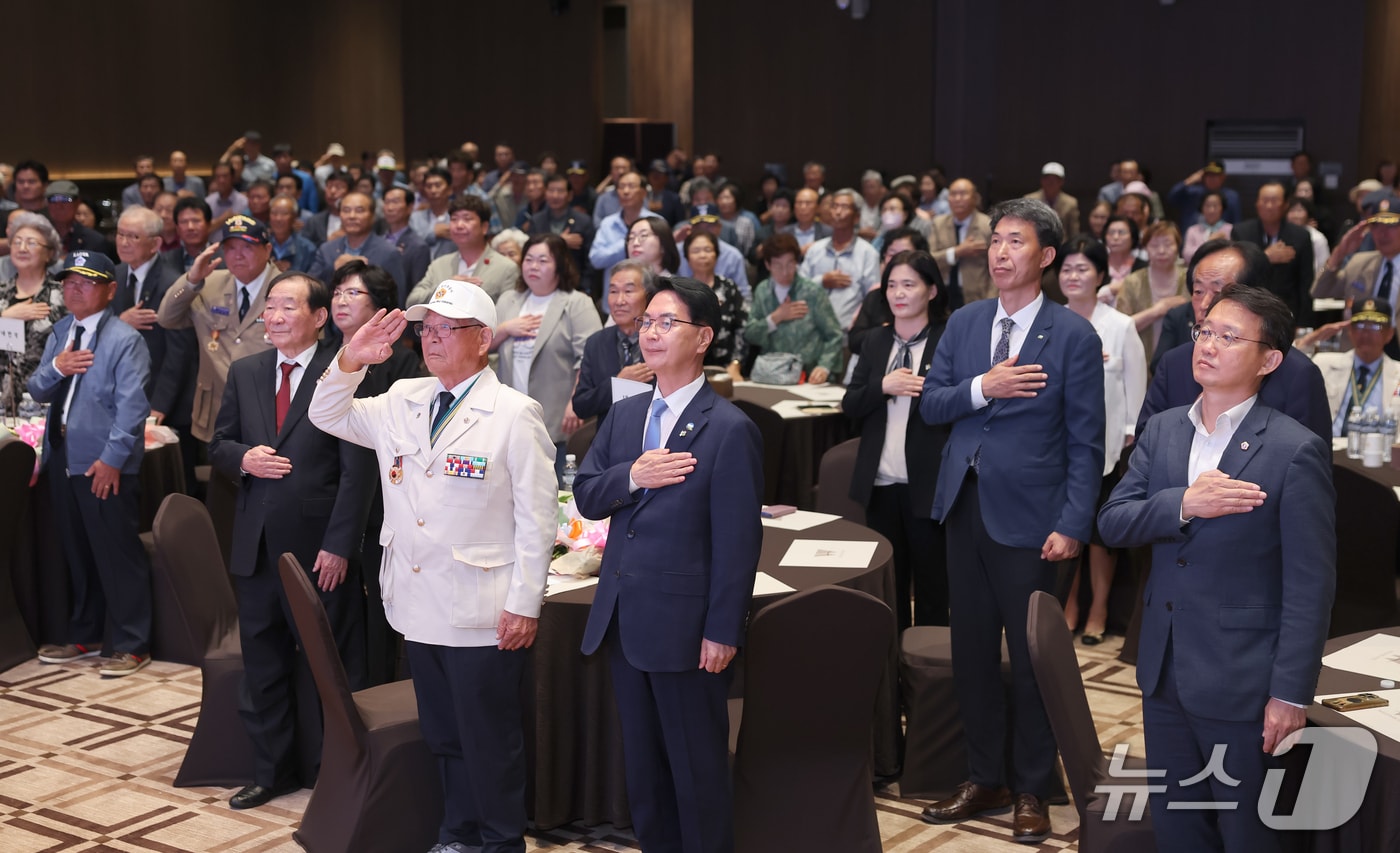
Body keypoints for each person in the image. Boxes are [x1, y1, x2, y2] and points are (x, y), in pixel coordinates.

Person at [309, 278, 554, 853]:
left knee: (489, 740)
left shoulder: (514, 414)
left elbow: (537, 520)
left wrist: (524, 603)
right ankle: (458, 834)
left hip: (482, 609)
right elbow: (325, 413)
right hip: (417, 602)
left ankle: (501, 843)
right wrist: (351, 359)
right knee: (443, 735)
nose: (433, 338)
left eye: (448, 328)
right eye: (426, 329)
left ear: (483, 339)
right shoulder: (403, 397)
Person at [1099, 283, 1335, 853]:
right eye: (1205, 331)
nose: (1207, 345)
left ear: (1268, 360)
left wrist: (1290, 694)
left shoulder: (1293, 450)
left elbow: (1311, 586)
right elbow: (1112, 522)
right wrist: (1183, 503)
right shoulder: (1163, 430)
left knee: (1247, 834)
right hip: (1163, 672)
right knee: (1179, 829)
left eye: (1230, 337)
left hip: (1243, 681)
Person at [918, 198, 1104, 844]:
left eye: (1015, 241)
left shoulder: (1073, 335)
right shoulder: (965, 322)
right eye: (995, 239)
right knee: (971, 653)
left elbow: (1086, 442)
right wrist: (983, 387)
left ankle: (1032, 786)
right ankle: (984, 776)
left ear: (1046, 256)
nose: (1000, 251)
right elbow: (932, 404)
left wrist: (1074, 522)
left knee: (1031, 660)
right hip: (963, 507)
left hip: (1033, 519)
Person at [573, 277, 763, 853]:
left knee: (696, 772)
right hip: (624, 620)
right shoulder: (625, 414)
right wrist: (632, 476)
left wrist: (722, 629)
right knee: (645, 774)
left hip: (687, 630)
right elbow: (587, 494)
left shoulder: (729, 428)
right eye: (647, 322)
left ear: (702, 337)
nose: (650, 333)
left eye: (667, 322)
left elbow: (738, 541)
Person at [209, 271, 375, 810]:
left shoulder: (344, 370)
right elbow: (219, 443)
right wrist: (244, 458)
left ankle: (337, 772)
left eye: (288, 306)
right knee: (264, 665)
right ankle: (272, 772)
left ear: (320, 317)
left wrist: (340, 545)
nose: (274, 317)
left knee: (331, 665)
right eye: (270, 307)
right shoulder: (247, 370)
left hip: (320, 549)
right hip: (256, 546)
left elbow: (357, 473)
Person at [30, 252, 152, 677]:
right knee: (77, 550)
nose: (74, 289)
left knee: (117, 552)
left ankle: (132, 643)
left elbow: (133, 408)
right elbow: (37, 389)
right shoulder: (61, 330)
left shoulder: (124, 339)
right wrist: (57, 367)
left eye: (86, 282)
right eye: (69, 282)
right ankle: (86, 633)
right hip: (62, 456)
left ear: (110, 290)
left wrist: (112, 459)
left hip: (103, 462)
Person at [326, 261, 422, 686]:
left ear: (381, 306)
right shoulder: (324, 356)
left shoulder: (401, 364)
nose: (341, 301)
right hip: (322, 504)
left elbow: (376, 450)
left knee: (378, 617)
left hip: (378, 507)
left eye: (353, 293)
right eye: (337, 292)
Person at [842, 250, 950, 630]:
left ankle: (932, 663)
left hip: (929, 482)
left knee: (934, 589)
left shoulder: (946, 339)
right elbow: (850, 403)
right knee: (889, 588)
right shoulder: (875, 340)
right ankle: (893, 664)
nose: (898, 293)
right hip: (881, 482)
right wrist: (883, 386)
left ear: (931, 290)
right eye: (891, 285)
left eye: (909, 284)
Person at [1138, 240, 1332, 442]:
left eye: (1218, 292)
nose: (1205, 304)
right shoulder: (1173, 364)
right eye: (1198, 291)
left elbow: (1309, 455)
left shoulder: (1297, 374)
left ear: (1255, 295)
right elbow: (1144, 446)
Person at [1056, 236, 1146, 643]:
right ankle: (1069, 605)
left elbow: (1136, 390)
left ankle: (1099, 608)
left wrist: (1130, 434)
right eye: (1066, 269)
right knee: (1065, 528)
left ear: (1100, 275)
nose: (1073, 276)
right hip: (1056, 447)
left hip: (1109, 449)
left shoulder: (1120, 326)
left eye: (1082, 269)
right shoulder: (1049, 323)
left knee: (1099, 535)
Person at [156, 214, 279, 443]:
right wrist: (191, 280)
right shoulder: (208, 284)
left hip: (270, 411)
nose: (238, 255)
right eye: (230, 248)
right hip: (217, 411)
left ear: (267, 249)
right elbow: (166, 318)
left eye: (247, 247)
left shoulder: (289, 289)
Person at [493, 233, 601, 478]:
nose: (533, 266)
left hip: (556, 414)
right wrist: (505, 329)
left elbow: (588, 358)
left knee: (555, 485)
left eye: (543, 260)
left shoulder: (577, 303)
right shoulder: (509, 300)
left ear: (560, 265)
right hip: (509, 413)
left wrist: (575, 402)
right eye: (529, 259)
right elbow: (480, 344)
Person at [111, 207, 197, 476]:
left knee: (167, 480)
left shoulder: (174, 283)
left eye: (133, 237)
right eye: (120, 234)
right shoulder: (114, 276)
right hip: (121, 395)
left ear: (155, 243)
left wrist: (160, 405)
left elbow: (180, 354)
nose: (124, 242)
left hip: (164, 399)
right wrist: (120, 322)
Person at [745, 233, 843, 384]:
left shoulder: (812, 292)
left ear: (796, 262)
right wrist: (775, 318)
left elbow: (834, 335)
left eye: (790, 264)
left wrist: (824, 366)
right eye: (778, 265)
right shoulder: (762, 291)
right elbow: (750, 334)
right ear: (768, 265)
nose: (785, 272)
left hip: (809, 375)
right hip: (772, 375)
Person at [572, 260, 658, 427]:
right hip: (609, 438)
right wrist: (618, 384)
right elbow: (581, 405)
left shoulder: (662, 340)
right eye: (613, 291)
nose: (619, 301)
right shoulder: (596, 342)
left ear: (649, 296)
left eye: (628, 291)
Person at [0, 213, 65, 415]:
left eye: (31, 243)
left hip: (45, 402)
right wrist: (5, 317)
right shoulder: (1, 293)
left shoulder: (63, 294)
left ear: (49, 253)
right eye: (17, 242)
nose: (22, 248)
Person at [1312, 210, 1400, 357]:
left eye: (1391, 226)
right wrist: (1340, 253)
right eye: (1376, 226)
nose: (1382, 233)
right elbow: (1319, 291)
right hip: (1358, 350)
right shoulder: (1359, 263)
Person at [408, 195, 521, 305]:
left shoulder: (506, 268)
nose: (459, 225)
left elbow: (510, 310)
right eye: (454, 219)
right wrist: (446, 287)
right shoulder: (439, 264)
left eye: (467, 219)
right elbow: (412, 301)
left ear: (484, 227)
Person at [1231, 182, 1315, 328]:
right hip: (1248, 310)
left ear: (1285, 205)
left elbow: (1306, 283)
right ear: (1257, 204)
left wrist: (1303, 324)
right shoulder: (1241, 232)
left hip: (1287, 313)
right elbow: (1236, 273)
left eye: (1275, 201)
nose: (1269, 206)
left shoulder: (1300, 236)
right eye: (1264, 201)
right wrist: (1265, 257)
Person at [798, 188, 881, 329]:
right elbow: (799, 288)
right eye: (834, 206)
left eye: (844, 207)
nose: (838, 212)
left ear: (856, 217)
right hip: (812, 331)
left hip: (849, 331)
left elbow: (872, 298)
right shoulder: (815, 249)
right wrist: (822, 281)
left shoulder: (868, 253)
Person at [1313, 298, 1400, 431]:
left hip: (1380, 443)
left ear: (1390, 333)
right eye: (1360, 326)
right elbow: (1288, 368)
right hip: (1330, 442)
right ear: (1350, 330)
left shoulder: (1398, 373)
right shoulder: (1323, 364)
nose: (1366, 333)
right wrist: (1308, 340)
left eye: (1375, 326)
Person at [309, 192, 408, 304]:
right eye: (346, 210)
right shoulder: (327, 250)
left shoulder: (388, 253)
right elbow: (311, 291)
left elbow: (397, 299)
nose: (352, 216)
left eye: (359, 211)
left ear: (372, 216)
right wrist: (334, 270)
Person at [1113, 221, 1188, 364]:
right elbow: (1119, 327)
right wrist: (1157, 311)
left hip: (1183, 362)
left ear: (1178, 246)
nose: (1161, 250)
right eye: (1154, 245)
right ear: (1146, 248)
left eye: (1168, 244)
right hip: (1138, 362)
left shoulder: (1189, 280)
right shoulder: (1133, 282)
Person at [683, 230, 746, 380]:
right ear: (687, 257)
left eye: (708, 250)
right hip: (688, 368)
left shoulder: (729, 287)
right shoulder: (682, 290)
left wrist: (736, 363)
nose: (703, 255)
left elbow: (742, 327)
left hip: (727, 367)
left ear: (716, 255)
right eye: (696, 251)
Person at [588, 170, 663, 286]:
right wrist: (626, 243)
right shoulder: (608, 223)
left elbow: (666, 259)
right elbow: (596, 260)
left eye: (631, 186)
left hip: (650, 290)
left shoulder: (656, 222)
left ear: (643, 193)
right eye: (621, 187)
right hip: (615, 292)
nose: (625, 191)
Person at [930, 178, 992, 309]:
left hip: (976, 295)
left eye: (963, 194)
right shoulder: (938, 223)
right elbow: (930, 259)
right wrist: (956, 252)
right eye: (953, 194)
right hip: (943, 293)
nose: (957, 199)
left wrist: (992, 299)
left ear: (974, 198)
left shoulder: (987, 225)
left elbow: (996, 266)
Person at [531, 173, 595, 291]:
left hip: (574, 285)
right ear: (545, 193)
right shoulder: (537, 220)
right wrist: (560, 241)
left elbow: (590, 259)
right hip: (541, 283)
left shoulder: (583, 221)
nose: (555, 196)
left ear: (570, 195)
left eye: (560, 191)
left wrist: (585, 287)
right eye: (551, 191)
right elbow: (531, 250)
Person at [381, 186, 431, 291]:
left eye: (395, 202)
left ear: (410, 207)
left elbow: (418, 289)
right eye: (386, 202)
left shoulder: (418, 247)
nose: (390, 208)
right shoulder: (378, 241)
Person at [1166, 160, 1242, 229]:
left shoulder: (1231, 196)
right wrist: (1189, 181)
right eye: (1208, 175)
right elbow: (1172, 198)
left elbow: (1236, 222)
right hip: (1191, 236)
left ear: (1223, 177)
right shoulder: (1193, 192)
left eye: (1215, 175)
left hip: (1220, 236)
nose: (1211, 178)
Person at [46, 181, 111, 256]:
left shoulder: (94, 240)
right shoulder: (40, 235)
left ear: (77, 203)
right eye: (53, 200)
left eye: (66, 199)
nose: (59, 206)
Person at [1024, 162, 1080, 240]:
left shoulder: (1071, 202)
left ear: (1062, 182)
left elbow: (1074, 231)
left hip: (1062, 244)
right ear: (1042, 180)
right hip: (1037, 242)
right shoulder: (1030, 199)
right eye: (1048, 179)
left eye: (1055, 179)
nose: (1051, 182)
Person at [268, 196, 318, 274]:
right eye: (274, 213)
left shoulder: (308, 249)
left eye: (284, 213)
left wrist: (290, 274)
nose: (278, 218)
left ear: (294, 217)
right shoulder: (260, 245)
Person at [1181, 191, 1233, 262]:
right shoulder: (1192, 230)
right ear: (1201, 207)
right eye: (1207, 206)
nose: (1211, 210)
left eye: (1215, 206)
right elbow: (1186, 256)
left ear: (1222, 207)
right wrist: (1209, 242)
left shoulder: (1231, 229)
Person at [303, 170, 351, 246]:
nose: (332, 191)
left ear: (350, 192)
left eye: (338, 187)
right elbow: (305, 249)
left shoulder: (357, 219)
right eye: (329, 187)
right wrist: (328, 244)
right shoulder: (314, 221)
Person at [165, 197, 213, 272]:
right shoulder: (166, 261)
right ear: (177, 228)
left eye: (196, 221)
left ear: (209, 225)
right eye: (184, 222)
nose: (190, 227)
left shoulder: (225, 257)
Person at [781, 187, 832, 255]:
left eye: (808, 203)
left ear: (817, 207)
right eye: (799, 203)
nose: (803, 207)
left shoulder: (828, 233)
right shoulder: (784, 233)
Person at [1101, 215, 1146, 287]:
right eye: (1111, 233)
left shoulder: (1144, 268)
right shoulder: (1098, 266)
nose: (1115, 237)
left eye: (1122, 233)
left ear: (1133, 237)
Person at [206, 162, 249, 227]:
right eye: (218, 176)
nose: (221, 180)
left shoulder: (244, 202)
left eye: (225, 176)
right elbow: (203, 229)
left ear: (232, 177)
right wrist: (223, 219)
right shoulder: (208, 202)